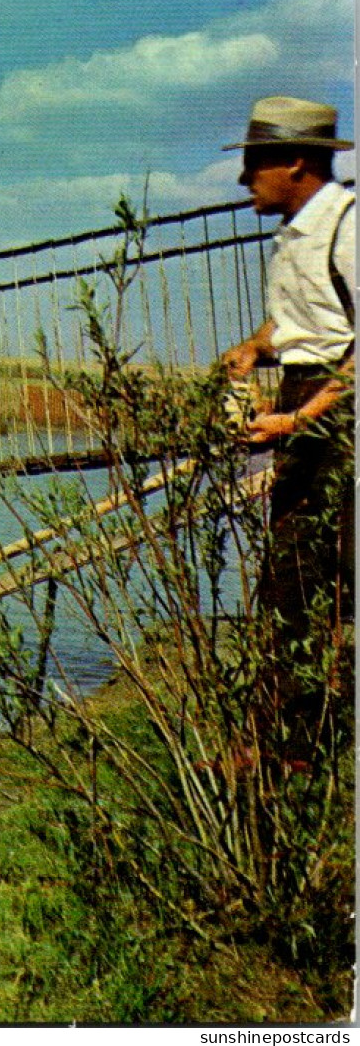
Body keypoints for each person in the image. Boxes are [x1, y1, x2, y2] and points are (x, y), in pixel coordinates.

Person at [219, 96, 355, 739]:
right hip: (307, 398)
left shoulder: (348, 229)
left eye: (253, 164)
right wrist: (256, 345)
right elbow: (304, 321)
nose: (245, 179)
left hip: (340, 413)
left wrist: (301, 420)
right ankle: (288, 742)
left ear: (295, 161)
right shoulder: (296, 232)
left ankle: (291, 748)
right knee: (292, 578)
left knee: (316, 573)